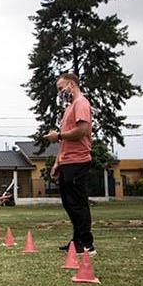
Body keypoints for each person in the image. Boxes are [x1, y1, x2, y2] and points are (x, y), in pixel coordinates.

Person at [44, 73, 96, 256]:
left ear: (71, 85)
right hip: (67, 161)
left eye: (61, 88)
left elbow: (81, 131)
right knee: (69, 203)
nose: (60, 93)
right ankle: (77, 241)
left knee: (78, 203)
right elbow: (65, 140)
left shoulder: (81, 103)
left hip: (78, 160)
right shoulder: (69, 108)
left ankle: (87, 243)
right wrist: (58, 161)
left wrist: (57, 135)